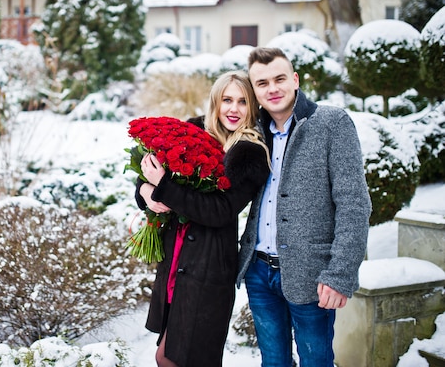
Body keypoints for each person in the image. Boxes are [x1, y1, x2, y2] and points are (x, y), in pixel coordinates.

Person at [236, 47, 372, 367]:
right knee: (273, 362)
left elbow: (353, 203)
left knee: (316, 362)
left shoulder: (331, 122)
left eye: (280, 79)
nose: (273, 89)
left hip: (311, 275)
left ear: (295, 80)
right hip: (258, 270)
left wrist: (340, 275)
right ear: (254, 90)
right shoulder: (253, 132)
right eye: (262, 83)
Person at [135, 70, 270, 367]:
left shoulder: (250, 154)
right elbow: (148, 177)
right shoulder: (191, 132)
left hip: (208, 269)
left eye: (242, 102)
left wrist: (165, 189)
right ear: (215, 102)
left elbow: (220, 210)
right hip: (176, 260)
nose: (233, 109)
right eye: (227, 100)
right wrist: (146, 192)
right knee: (172, 354)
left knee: (175, 358)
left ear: (252, 108)